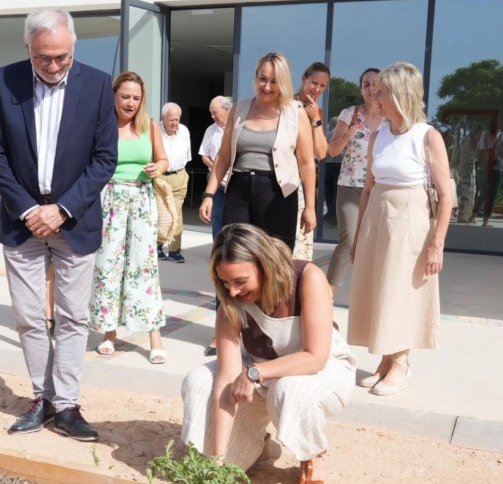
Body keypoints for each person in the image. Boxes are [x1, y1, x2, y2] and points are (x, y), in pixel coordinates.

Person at [0, 7, 116, 441]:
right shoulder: (5, 81)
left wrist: (62, 209)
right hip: (23, 221)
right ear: (28, 49)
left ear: (73, 47)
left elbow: (104, 158)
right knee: (28, 316)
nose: (54, 65)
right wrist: (27, 209)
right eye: (44, 58)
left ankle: (68, 405)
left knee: (74, 318)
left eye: (61, 56)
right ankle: (42, 399)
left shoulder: (96, 84)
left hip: (74, 220)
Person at [181, 223, 357, 483]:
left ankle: (312, 456)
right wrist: (218, 458)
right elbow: (226, 381)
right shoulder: (230, 303)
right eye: (225, 282)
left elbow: (315, 357)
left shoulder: (308, 277)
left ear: (265, 265)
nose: (232, 291)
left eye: (240, 281)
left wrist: (255, 373)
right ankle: (255, 442)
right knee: (198, 381)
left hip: (323, 368)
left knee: (289, 389)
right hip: (260, 370)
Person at [347, 62, 451, 396]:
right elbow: (367, 189)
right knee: (379, 288)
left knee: (400, 290)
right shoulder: (378, 135)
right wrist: (358, 234)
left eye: (383, 91)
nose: (375, 96)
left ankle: (401, 362)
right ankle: (386, 358)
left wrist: (437, 243)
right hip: (378, 217)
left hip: (410, 221)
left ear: (401, 94)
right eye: (375, 91)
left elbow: (447, 194)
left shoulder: (428, 137)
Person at [198, 52, 316, 251]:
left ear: (284, 82)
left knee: (275, 259)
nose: (267, 87)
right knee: (235, 253)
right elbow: (224, 156)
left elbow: (306, 163)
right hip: (238, 191)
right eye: (263, 79)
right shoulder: (239, 108)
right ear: (256, 77)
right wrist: (208, 195)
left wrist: (310, 208)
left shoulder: (296, 112)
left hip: (279, 194)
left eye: (274, 81)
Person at [89, 71, 168, 365]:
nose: (131, 102)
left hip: (141, 199)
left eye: (136, 97)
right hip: (109, 199)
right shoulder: (103, 125)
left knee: (143, 267)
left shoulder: (150, 125)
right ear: (114, 96)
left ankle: (154, 335)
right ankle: (109, 332)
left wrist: (157, 169)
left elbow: (163, 159)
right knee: (108, 265)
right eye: (125, 96)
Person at [325, 68, 381, 293]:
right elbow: (332, 150)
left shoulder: (392, 117)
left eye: (376, 83)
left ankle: (372, 295)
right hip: (350, 187)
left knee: (376, 244)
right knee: (348, 240)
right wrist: (349, 133)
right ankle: (326, 296)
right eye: (366, 84)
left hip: (379, 189)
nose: (371, 88)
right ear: (361, 89)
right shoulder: (349, 114)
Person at [293, 62, 331, 261]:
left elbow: (322, 152)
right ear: (303, 79)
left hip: (304, 182)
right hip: (284, 178)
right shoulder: (286, 104)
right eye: (314, 83)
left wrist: (316, 118)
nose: (317, 89)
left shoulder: (317, 112)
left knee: (302, 242)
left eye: (323, 86)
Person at [157, 102, 191, 263]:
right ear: (163, 118)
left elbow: (187, 154)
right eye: (171, 120)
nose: (174, 123)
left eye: (177, 120)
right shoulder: (154, 130)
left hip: (179, 175)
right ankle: (157, 246)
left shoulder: (184, 131)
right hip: (160, 176)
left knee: (176, 214)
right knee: (160, 213)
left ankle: (174, 250)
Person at [198, 96, 233, 239]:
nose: (212, 117)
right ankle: (217, 249)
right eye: (211, 113)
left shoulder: (237, 127)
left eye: (215, 113)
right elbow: (204, 155)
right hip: (215, 179)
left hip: (234, 178)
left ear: (226, 110)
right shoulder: (210, 130)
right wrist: (217, 167)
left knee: (232, 215)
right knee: (217, 214)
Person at [473, 125, 503, 227]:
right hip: (494, 169)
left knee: (483, 194)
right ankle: (486, 219)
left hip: (482, 169)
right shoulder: (500, 139)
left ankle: (473, 215)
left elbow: (476, 155)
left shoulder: (482, 139)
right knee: (491, 195)